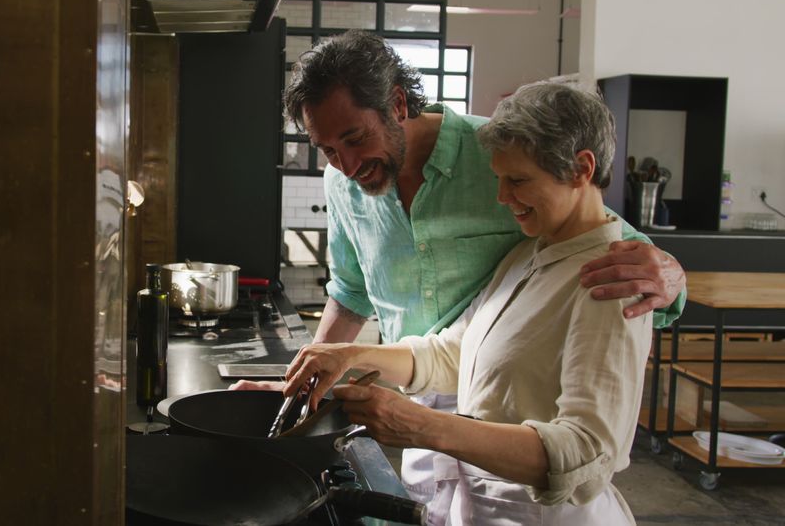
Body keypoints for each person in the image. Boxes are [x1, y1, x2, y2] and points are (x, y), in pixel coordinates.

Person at [233, 30, 686, 502]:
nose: (345, 165)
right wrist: (307, 382)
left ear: (397, 104)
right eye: (327, 149)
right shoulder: (345, 185)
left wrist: (674, 274)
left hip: (507, 414)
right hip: (412, 390)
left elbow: (618, 248)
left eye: (355, 138)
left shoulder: (500, 150)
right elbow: (357, 295)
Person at [284, 81, 651, 524]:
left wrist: (424, 428)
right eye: (499, 178)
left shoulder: (611, 283)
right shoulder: (528, 255)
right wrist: (347, 356)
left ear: (580, 169)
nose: (501, 198)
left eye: (517, 180)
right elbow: (452, 352)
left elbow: (587, 453)